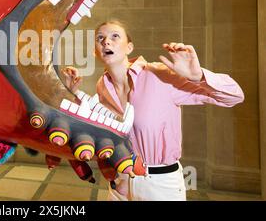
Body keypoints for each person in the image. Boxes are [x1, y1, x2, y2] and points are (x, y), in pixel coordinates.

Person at [62, 20, 244, 201]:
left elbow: (235, 96)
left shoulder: (159, 75)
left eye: (114, 36)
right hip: (120, 183)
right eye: (100, 38)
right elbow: (103, 125)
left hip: (160, 185)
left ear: (129, 47)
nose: (106, 42)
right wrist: (72, 93)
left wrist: (198, 77)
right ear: (95, 52)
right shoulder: (103, 85)